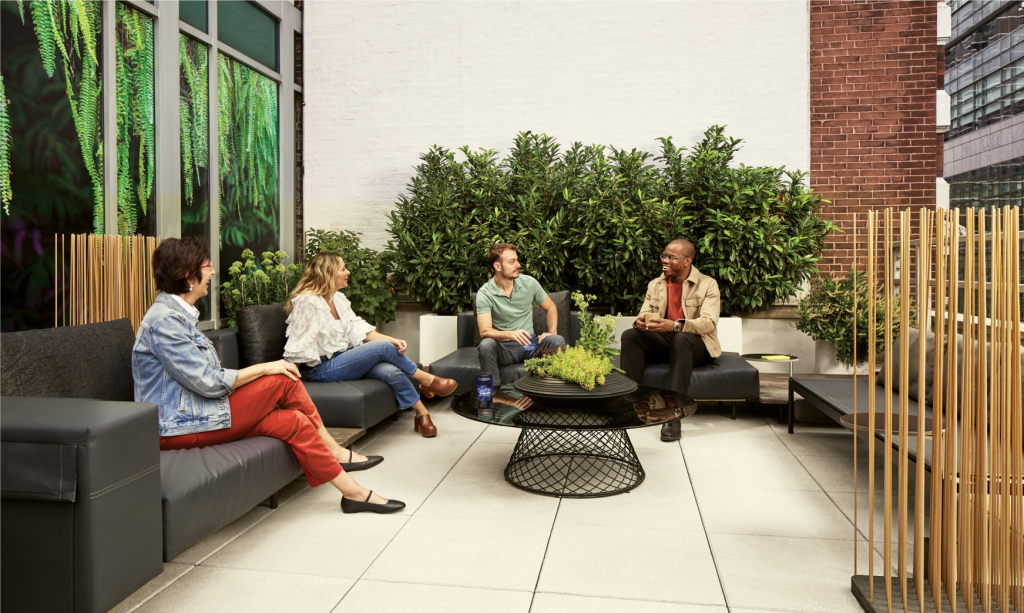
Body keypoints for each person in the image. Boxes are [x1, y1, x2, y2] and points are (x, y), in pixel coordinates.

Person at [132, 238, 403, 514]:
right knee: (283, 379)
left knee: (294, 421)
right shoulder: (165, 321)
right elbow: (209, 382)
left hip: (198, 412)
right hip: (177, 427)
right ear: (188, 275)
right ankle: (334, 450)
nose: (212, 271)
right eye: (207, 265)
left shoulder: (179, 316)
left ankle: (353, 493)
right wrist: (265, 367)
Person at [283, 253, 456, 438]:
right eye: (343, 269)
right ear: (328, 273)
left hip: (345, 359)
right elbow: (298, 343)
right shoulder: (308, 302)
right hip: (323, 369)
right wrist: (288, 384)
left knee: (391, 371)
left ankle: (422, 414)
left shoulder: (338, 299)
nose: (348, 272)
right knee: (382, 347)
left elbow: (358, 329)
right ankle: (427, 381)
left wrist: (392, 339)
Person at [620, 239, 721, 442]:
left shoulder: (708, 284)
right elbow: (644, 313)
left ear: (687, 261)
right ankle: (634, 405)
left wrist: (676, 325)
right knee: (630, 335)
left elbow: (709, 323)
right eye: (664, 256)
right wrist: (640, 322)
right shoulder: (655, 284)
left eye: (671, 257)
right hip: (666, 343)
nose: (664, 260)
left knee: (681, 338)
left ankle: (674, 414)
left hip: (696, 345)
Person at [476, 243, 566, 407]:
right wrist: (510, 334)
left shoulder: (529, 283)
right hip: (504, 349)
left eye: (517, 260)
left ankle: (554, 392)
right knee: (486, 344)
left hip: (529, 346)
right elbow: (484, 331)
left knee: (557, 340)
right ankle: (493, 395)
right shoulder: (485, 293)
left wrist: (551, 332)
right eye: (512, 262)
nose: (518, 265)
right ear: (497, 266)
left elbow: (551, 307)